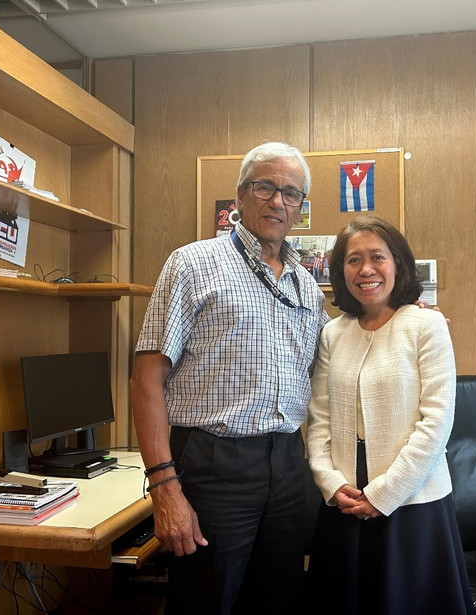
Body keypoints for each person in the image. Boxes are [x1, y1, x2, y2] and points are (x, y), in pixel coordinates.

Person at [129, 141, 328, 615]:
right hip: (213, 464)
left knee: (277, 600)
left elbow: (337, 355)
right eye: (265, 187)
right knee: (205, 600)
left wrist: (404, 312)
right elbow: (145, 380)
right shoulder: (192, 264)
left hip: (287, 465)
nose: (278, 201)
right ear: (240, 196)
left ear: (300, 207)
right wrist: (164, 487)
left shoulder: (306, 285)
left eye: (292, 193)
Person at [306, 215, 474, 615]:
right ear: (340, 271)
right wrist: (329, 482)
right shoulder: (332, 333)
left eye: (377, 257)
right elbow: (319, 419)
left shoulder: (427, 324)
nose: (366, 269)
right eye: (353, 260)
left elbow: (436, 422)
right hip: (345, 501)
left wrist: (386, 493)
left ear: (398, 263)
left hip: (413, 501)